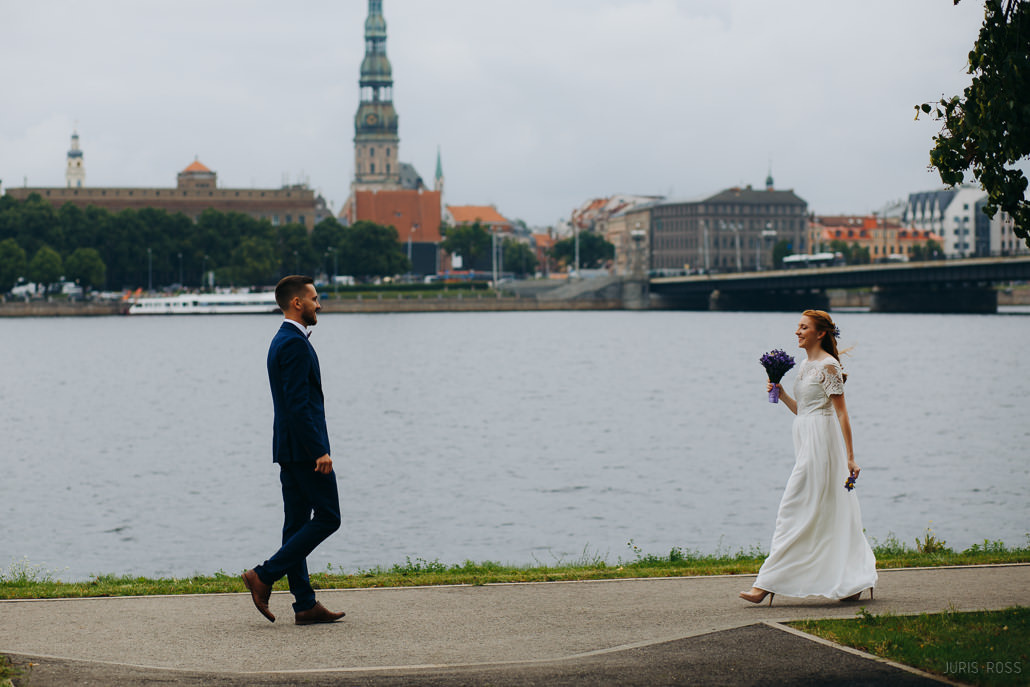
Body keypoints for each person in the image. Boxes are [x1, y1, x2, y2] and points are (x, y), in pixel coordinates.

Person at [740, 309, 877, 605]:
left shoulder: (828, 366)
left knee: (793, 506)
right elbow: (803, 410)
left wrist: (850, 458)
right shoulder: (805, 365)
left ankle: (765, 584)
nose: (797, 332)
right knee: (823, 509)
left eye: (804, 327)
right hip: (805, 438)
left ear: (821, 333)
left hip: (822, 443)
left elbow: (841, 413)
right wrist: (781, 392)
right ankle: (850, 580)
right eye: (797, 327)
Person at [242, 275, 345, 625]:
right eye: (314, 299)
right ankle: (264, 574)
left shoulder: (282, 340)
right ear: (297, 303)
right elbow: (299, 405)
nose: (320, 304)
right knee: (329, 517)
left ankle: (304, 604)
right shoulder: (295, 344)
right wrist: (319, 450)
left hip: (289, 447)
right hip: (304, 451)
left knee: (297, 524)